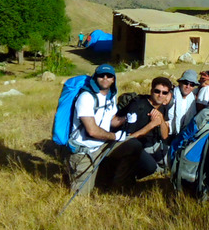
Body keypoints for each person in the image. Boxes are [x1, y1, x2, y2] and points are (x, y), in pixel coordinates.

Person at [66, 64, 145, 194]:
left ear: (113, 79)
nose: (105, 78)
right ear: (95, 78)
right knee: (80, 197)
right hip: (85, 151)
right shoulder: (86, 97)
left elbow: (111, 121)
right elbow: (92, 131)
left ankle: (117, 187)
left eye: (109, 76)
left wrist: (125, 118)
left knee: (134, 145)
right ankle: (74, 172)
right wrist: (115, 137)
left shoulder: (110, 96)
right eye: (101, 75)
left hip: (102, 145)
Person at [117, 76, 172, 172]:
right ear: (151, 91)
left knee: (175, 161)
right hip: (137, 147)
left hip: (153, 145)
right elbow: (129, 139)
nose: (160, 95)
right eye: (157, 91)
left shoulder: (163, 107)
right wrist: (152, 124)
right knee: (151, 168)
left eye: (164, 93)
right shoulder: (137, 105)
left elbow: (165, 136)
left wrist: (161, 120)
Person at [168, 70, 200, 137]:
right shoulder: (170, 96)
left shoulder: (192, 98)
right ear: (180, 83)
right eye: (186, 83)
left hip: (183, 134)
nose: (188, 86)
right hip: (168, 133)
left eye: (192, 84)